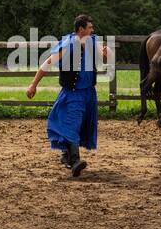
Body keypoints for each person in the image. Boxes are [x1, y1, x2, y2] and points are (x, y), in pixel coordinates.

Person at [26, 14, 109, 177]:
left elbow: (103, 53)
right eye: (90, 28)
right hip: (73, 93)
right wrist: (33, 84)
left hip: (89, 93)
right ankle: (75, 161)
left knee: (81, 124)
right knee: (73, 123)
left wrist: (106, 53)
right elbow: (47, 64)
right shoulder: (67, 45)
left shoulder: (92, 40)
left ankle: (66, 154)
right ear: (81, 29)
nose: (93, 30)